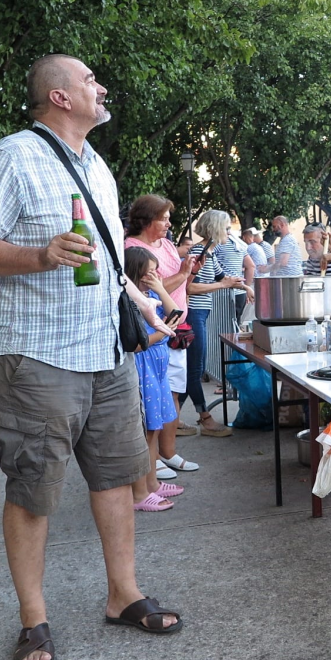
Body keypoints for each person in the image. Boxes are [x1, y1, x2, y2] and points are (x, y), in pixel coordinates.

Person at [0, 53, 181, 660]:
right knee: (33, 486)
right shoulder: (12, 156)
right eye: (88, 80)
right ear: (59, 97)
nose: (100, 86)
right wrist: (40, 255)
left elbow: (108, 262)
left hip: (104, 353)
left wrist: (145, 310)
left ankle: (123, 594)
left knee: (116, 477)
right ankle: (34, 621)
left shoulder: (99, 167)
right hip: (36, 356)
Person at [123, 194, 202, 462]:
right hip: (155, 336)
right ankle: (152, 462)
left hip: (174, 329)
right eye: (164, 218)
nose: (169, 223)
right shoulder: (133, 249)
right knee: (153, 402)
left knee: (172, 395)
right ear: (146, 221)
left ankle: (168, 454)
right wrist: (181, 276)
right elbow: (146, 292)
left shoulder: (166, 245)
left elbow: (177, 286)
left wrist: (187, 272)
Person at [124, 246, 185, 511]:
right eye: (150, 273)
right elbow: (136, 344)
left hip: (157, 370)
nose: (155, 276)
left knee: (155, 428)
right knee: (146, 431)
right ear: (136, 274)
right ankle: (141, 491)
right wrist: (163, 333)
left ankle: (152, 484)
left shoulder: (149, 296)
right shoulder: (129, 303)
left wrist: (160, 289)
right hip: (143, 368)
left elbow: (175, 315)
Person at [184, 210, 245, 436]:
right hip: (193, 314)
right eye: (227, 228)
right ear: (215, 229)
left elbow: (223, 278)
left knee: (193, 367)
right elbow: (189, 287)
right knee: (195, 369)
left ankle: (173, 419)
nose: (229, 233)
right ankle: (205, 418)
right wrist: (223, 285)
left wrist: (245, 287)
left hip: (201, 313)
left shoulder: (210, 252)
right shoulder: (199, 251)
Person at [213, 226, 254, 323]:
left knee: (222, 328)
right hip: (240, 293)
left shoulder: (218, 244)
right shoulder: (239, 244)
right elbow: (251, 266)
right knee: (235, 325)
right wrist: (246, 287)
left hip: (222, 293)